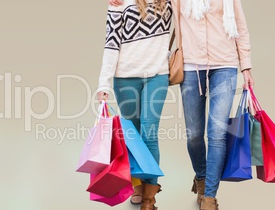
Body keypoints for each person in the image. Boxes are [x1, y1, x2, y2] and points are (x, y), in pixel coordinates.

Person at [107, 0, 255, 210]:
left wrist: (246, 66)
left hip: (225, 66)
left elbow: (240, 27)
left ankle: (209, 196)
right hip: (191, 68)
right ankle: (201, 177)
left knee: (217, 133)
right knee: (194, 134)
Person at [96, 0, 173, 209]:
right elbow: (111, 43)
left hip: (157, 75)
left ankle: (149, 196)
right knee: (133, 136)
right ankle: (137, 185)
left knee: (149, 133)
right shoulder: (119, 2)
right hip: (125, 78)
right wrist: (104, 83)